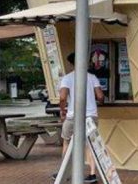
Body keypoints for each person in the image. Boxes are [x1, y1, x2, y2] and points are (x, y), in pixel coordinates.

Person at [59, 51, 105, 183]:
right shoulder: (92, 77)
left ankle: (64, 172)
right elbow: (100, 96)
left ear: (71, 64)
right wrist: (100, 102)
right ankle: (92, 174)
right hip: (91, 116)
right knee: (90, 145)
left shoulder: (67, 78)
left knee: (67, 142)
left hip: (73, 116)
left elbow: (62, 97)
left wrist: (62, 110)